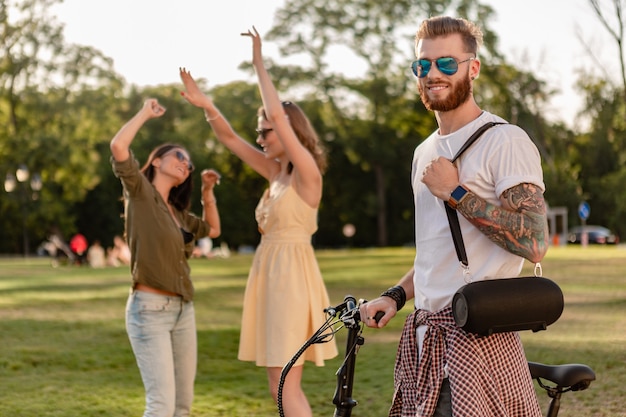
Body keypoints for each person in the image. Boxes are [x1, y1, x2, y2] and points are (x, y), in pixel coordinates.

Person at [360, 16, 549, 417]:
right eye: (423, 64)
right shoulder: (423, 153)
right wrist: (395, 296)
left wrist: (456, 193)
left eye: (447, 63)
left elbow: (535, 243)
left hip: (477, 343)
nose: (433, 73)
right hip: (425, 342)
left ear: (473, 68)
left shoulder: (504, 139)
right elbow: (436, 255)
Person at [179, 26, 337, 417]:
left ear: (289, 130)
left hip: (292, 279)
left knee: (284, 382)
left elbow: (280, 117)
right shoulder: (275, 173)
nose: (262, 136)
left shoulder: (307, 174)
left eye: (267, 130)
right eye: (261, 131)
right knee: (276, 382)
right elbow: (230, 140)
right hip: (270, 274)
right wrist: (207, 105)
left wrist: (257, 63)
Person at [110, 98, 221, 417]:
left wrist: (207, 193)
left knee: (182, 406)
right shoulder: (140, 192)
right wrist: (145, 112)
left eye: (189, 165)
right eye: (179, 157)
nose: (185, 165)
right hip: (149, 311)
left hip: (183, 310)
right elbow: (119, 146)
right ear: (156, 161)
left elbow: (213, 230)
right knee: (160, 405)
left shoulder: (180, 215)